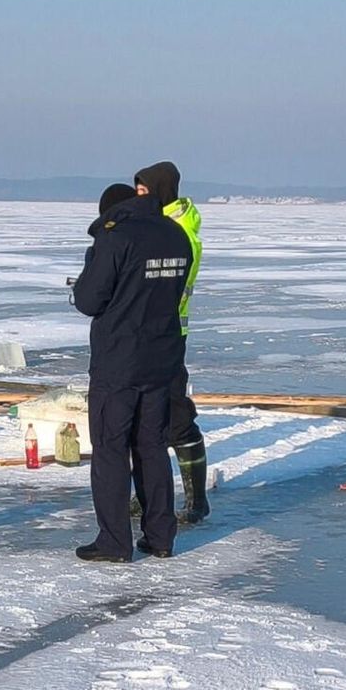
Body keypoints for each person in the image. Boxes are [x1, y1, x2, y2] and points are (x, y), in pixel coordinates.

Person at [72, 183, 191, 562]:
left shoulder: (115, 238)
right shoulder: (176, 235)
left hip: (119, 362)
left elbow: (90, 300)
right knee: (152, 447)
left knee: (110, 448)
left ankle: (114, 541)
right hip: (162, 359)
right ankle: (160, 536)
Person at [134, 161, 210, 523]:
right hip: (144, 334)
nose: (139, 198)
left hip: (167, 335)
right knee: (143, 416)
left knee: (176, 414)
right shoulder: (154, 225)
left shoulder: (180, 229)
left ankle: (196, 500)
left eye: (144, 192)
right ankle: (148, 492)